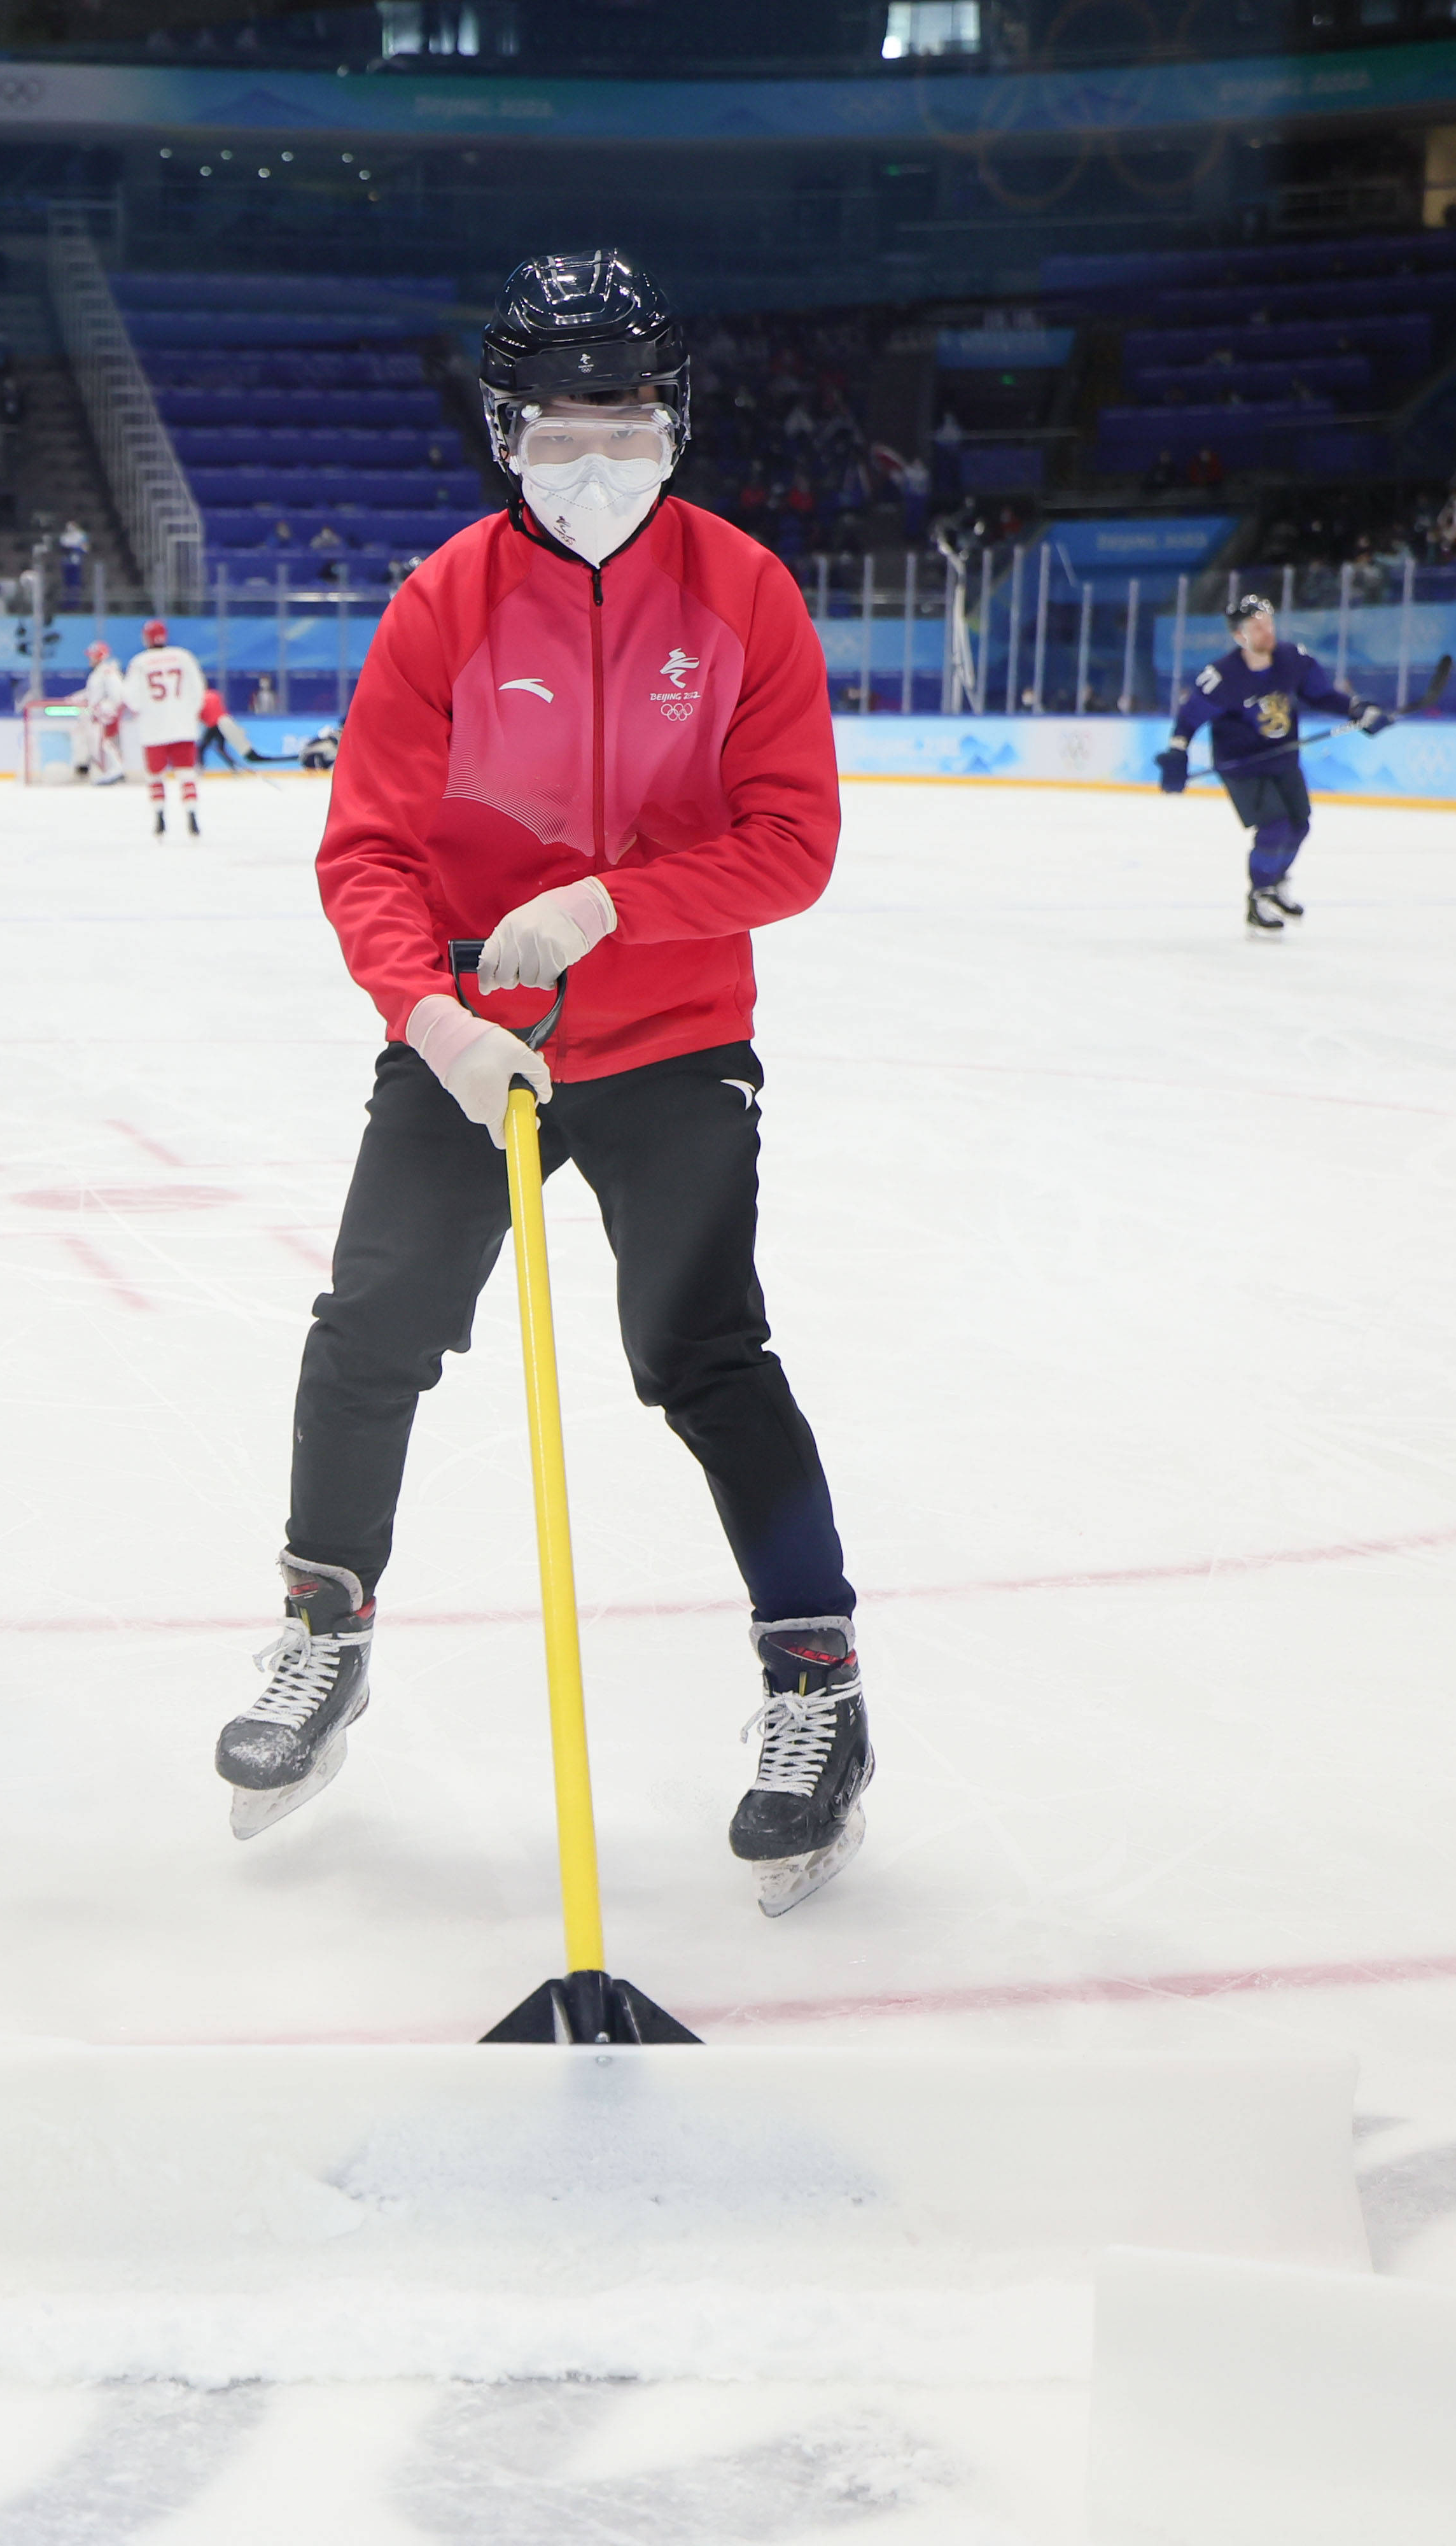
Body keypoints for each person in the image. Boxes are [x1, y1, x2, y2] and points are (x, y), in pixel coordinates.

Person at [225, 250, 871, 1915]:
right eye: (566, 432)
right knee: (370, 1329)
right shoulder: (444, 603)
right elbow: (366, 847)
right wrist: (431, 1016)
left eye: (632, 426)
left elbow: (794, 843)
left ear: (675, 426)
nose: (602, 464)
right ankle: (322, 1634)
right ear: (505, 432)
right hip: (470, 1040)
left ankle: (818, 1693)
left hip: (670, 1043)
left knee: (701, 1348)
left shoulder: (743, 599)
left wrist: (617, 902)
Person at [1158, 595, 1391, 934]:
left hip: (1283, 758)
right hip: (1242, 766)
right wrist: (1177, 754)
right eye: (1258, 627)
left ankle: (1275, 883)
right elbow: (1189, 720)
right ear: (1240, 636)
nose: (1268, 631)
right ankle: (1259, 897)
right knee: (1275, 827)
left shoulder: (1292, 659)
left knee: (1300, 826)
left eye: (1269, 623)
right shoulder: (1222, 678)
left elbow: (1321, 694)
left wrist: (1357, 708)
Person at [124, 617, 206, 837]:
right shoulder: (183, 657)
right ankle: (192, 817)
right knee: (187, 775)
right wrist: (190, 713)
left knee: (155, 776)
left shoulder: (140, 662)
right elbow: (198, 689)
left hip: (153, 729)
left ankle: (159, 818)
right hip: (183, 726)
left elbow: (131, 696)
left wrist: (141, 712)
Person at [74, 636, 126, 785]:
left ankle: (116, 770)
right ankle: (92, 766)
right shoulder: (97, 674)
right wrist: (76, 698)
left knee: (104, 744)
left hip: (105, 715)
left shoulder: (108, 672)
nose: (90, 659)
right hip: (95, 715)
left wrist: (107, 709)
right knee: (93, 742)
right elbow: (91, 693)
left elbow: (117, 694)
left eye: (92, 655)